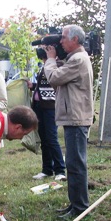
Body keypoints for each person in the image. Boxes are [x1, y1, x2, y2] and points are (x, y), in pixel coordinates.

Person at [43, 24, 94, 219]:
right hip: (74, 117)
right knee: (73, 163)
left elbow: (54, 78)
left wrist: (50, 60)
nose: (61, 41)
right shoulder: (76, 58)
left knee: (75, 164)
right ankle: (75, 204)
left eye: (64, 38)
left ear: (75, 40)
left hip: (76, 118)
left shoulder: (78, 60)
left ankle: (80, 207)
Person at [28, 48, 66, 182]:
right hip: (39, 106)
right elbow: (43, 84)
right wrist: (32, 86)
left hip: (50, 106)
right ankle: (47, 169)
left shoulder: (57, 64)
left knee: (51, 138)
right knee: (44, 139)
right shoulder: (43, 66)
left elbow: (54, 81)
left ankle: (60, 170)